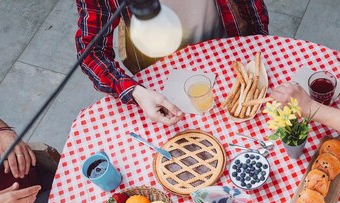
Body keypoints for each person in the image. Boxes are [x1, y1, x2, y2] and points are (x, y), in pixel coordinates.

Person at [76, 0, 269, 126]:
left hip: (227, 48)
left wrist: (261, 41)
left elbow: (251, 4)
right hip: (162, 68)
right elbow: (91, 52)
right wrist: (136, 92)